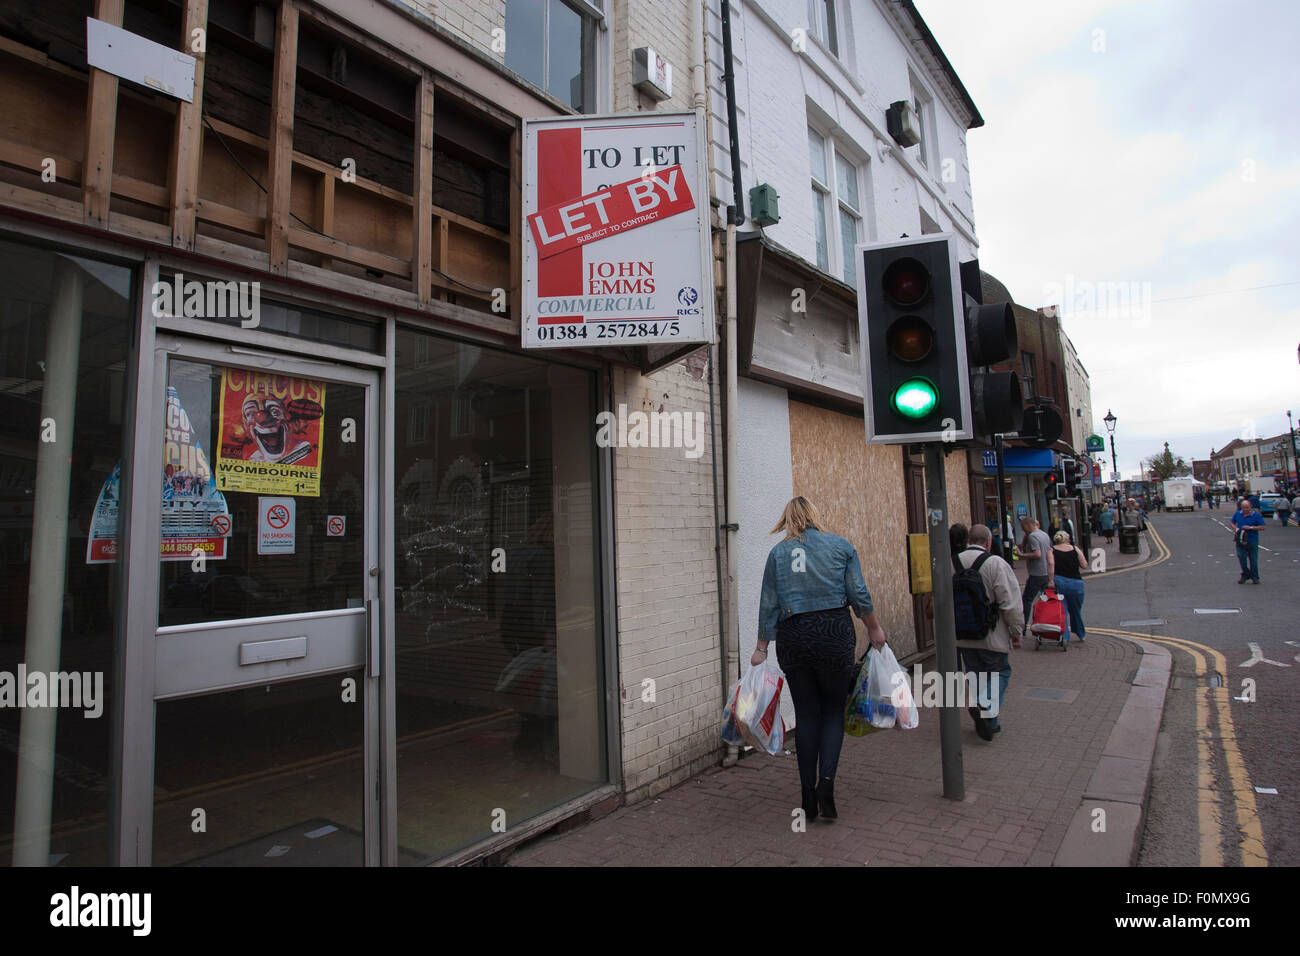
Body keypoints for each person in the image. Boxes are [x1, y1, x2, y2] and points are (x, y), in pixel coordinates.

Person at [755, 497, 887, 822]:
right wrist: (874, 629)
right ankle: (826, 784)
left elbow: (768, 603)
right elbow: (858, 592)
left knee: (806, 714)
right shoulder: (840, 546)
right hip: (833, 633)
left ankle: (807, 795)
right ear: (815, 516)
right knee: (832, 711)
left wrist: (761, 647)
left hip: (794, 636)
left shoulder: (778, 554)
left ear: (787, 520)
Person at [953, 524, 1024, 739]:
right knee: (1000, 672)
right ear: (988, 542)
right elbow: (1009, 602)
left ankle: (989, 722)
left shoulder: (952, 562)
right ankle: (984, 706)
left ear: (968, 540)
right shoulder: (996, 563)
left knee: (976, 674)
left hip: (963, 634)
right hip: (992, 633)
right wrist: (1016, 630)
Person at [1048, 530, 1087, 643]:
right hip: (1076, 583)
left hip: (1059, 582)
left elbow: (1051, 564)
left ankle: (1065, 637)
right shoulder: (1075, 549)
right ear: (1067, 539)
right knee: (1076, 610)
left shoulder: (1051, 550)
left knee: (1062, 611)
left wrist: (1050, 580)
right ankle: (1081, 634)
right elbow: (1084, 565)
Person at [1018, 516, 1053, 622]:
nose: (1023, 531)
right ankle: (1047, 624)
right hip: (1045, 572)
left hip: (1036, 574)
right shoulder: (1044, 534)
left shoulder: (1032, 536)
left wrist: (1021, 555)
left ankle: (1022, 628)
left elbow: (1037, 554)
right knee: (1045, 599)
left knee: (1026, 600)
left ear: (1028, 525)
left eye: (1023, 528)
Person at [1230, 497, 1265, 584]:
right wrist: (1236, 528)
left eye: (1247, 507)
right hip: (1240, 540)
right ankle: (1245, 574)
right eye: (1244, 507)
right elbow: (1232, 523)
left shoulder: (1256, 515)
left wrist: (1251, 527)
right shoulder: (1237, 514)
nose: (1246, 509)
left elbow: (1263, 527)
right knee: (1241, 557)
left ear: (1250, 507)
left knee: (1253, 560)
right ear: (1241, 508)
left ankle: (1255, 577)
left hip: (1252, 540)